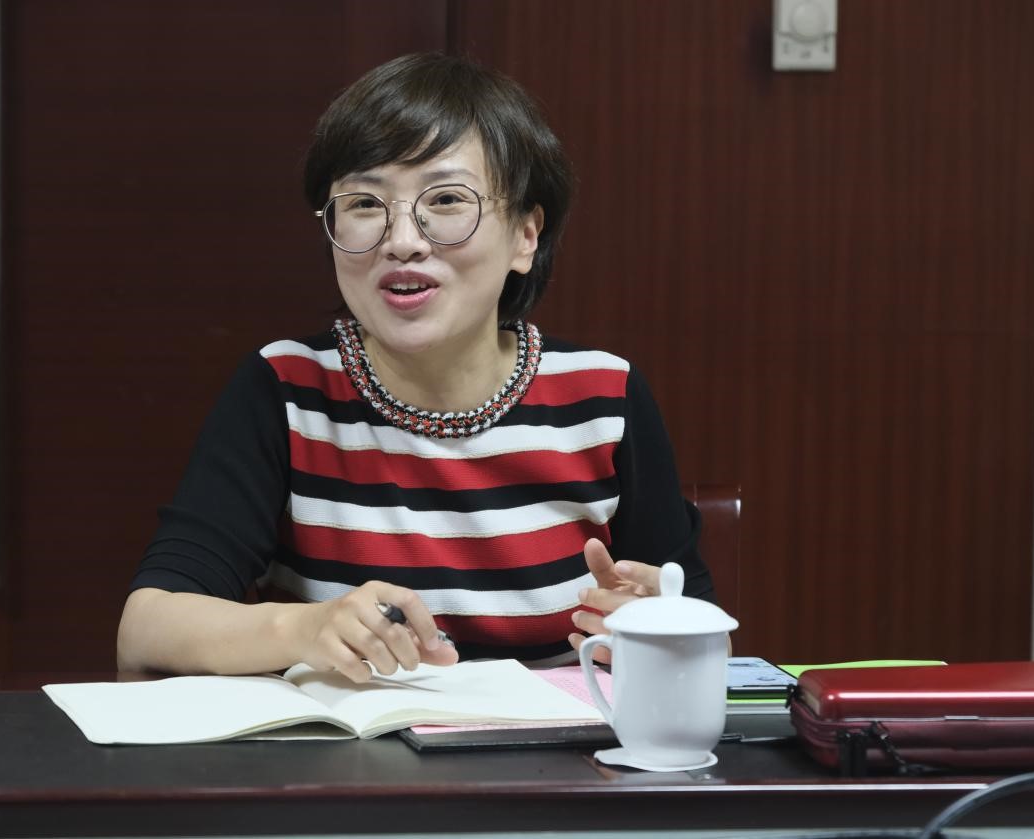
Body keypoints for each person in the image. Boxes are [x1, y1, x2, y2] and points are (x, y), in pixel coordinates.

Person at [116, 52, 715, 683]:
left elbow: (706, 637)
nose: (402, 240)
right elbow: (147, 630)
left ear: (525, 235)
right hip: (347, 746)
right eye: (365, 203)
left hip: (558, 746)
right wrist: (306, 629)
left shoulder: (603, 397)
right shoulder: (287, 388)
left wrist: (664, 632)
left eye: (447, 199)